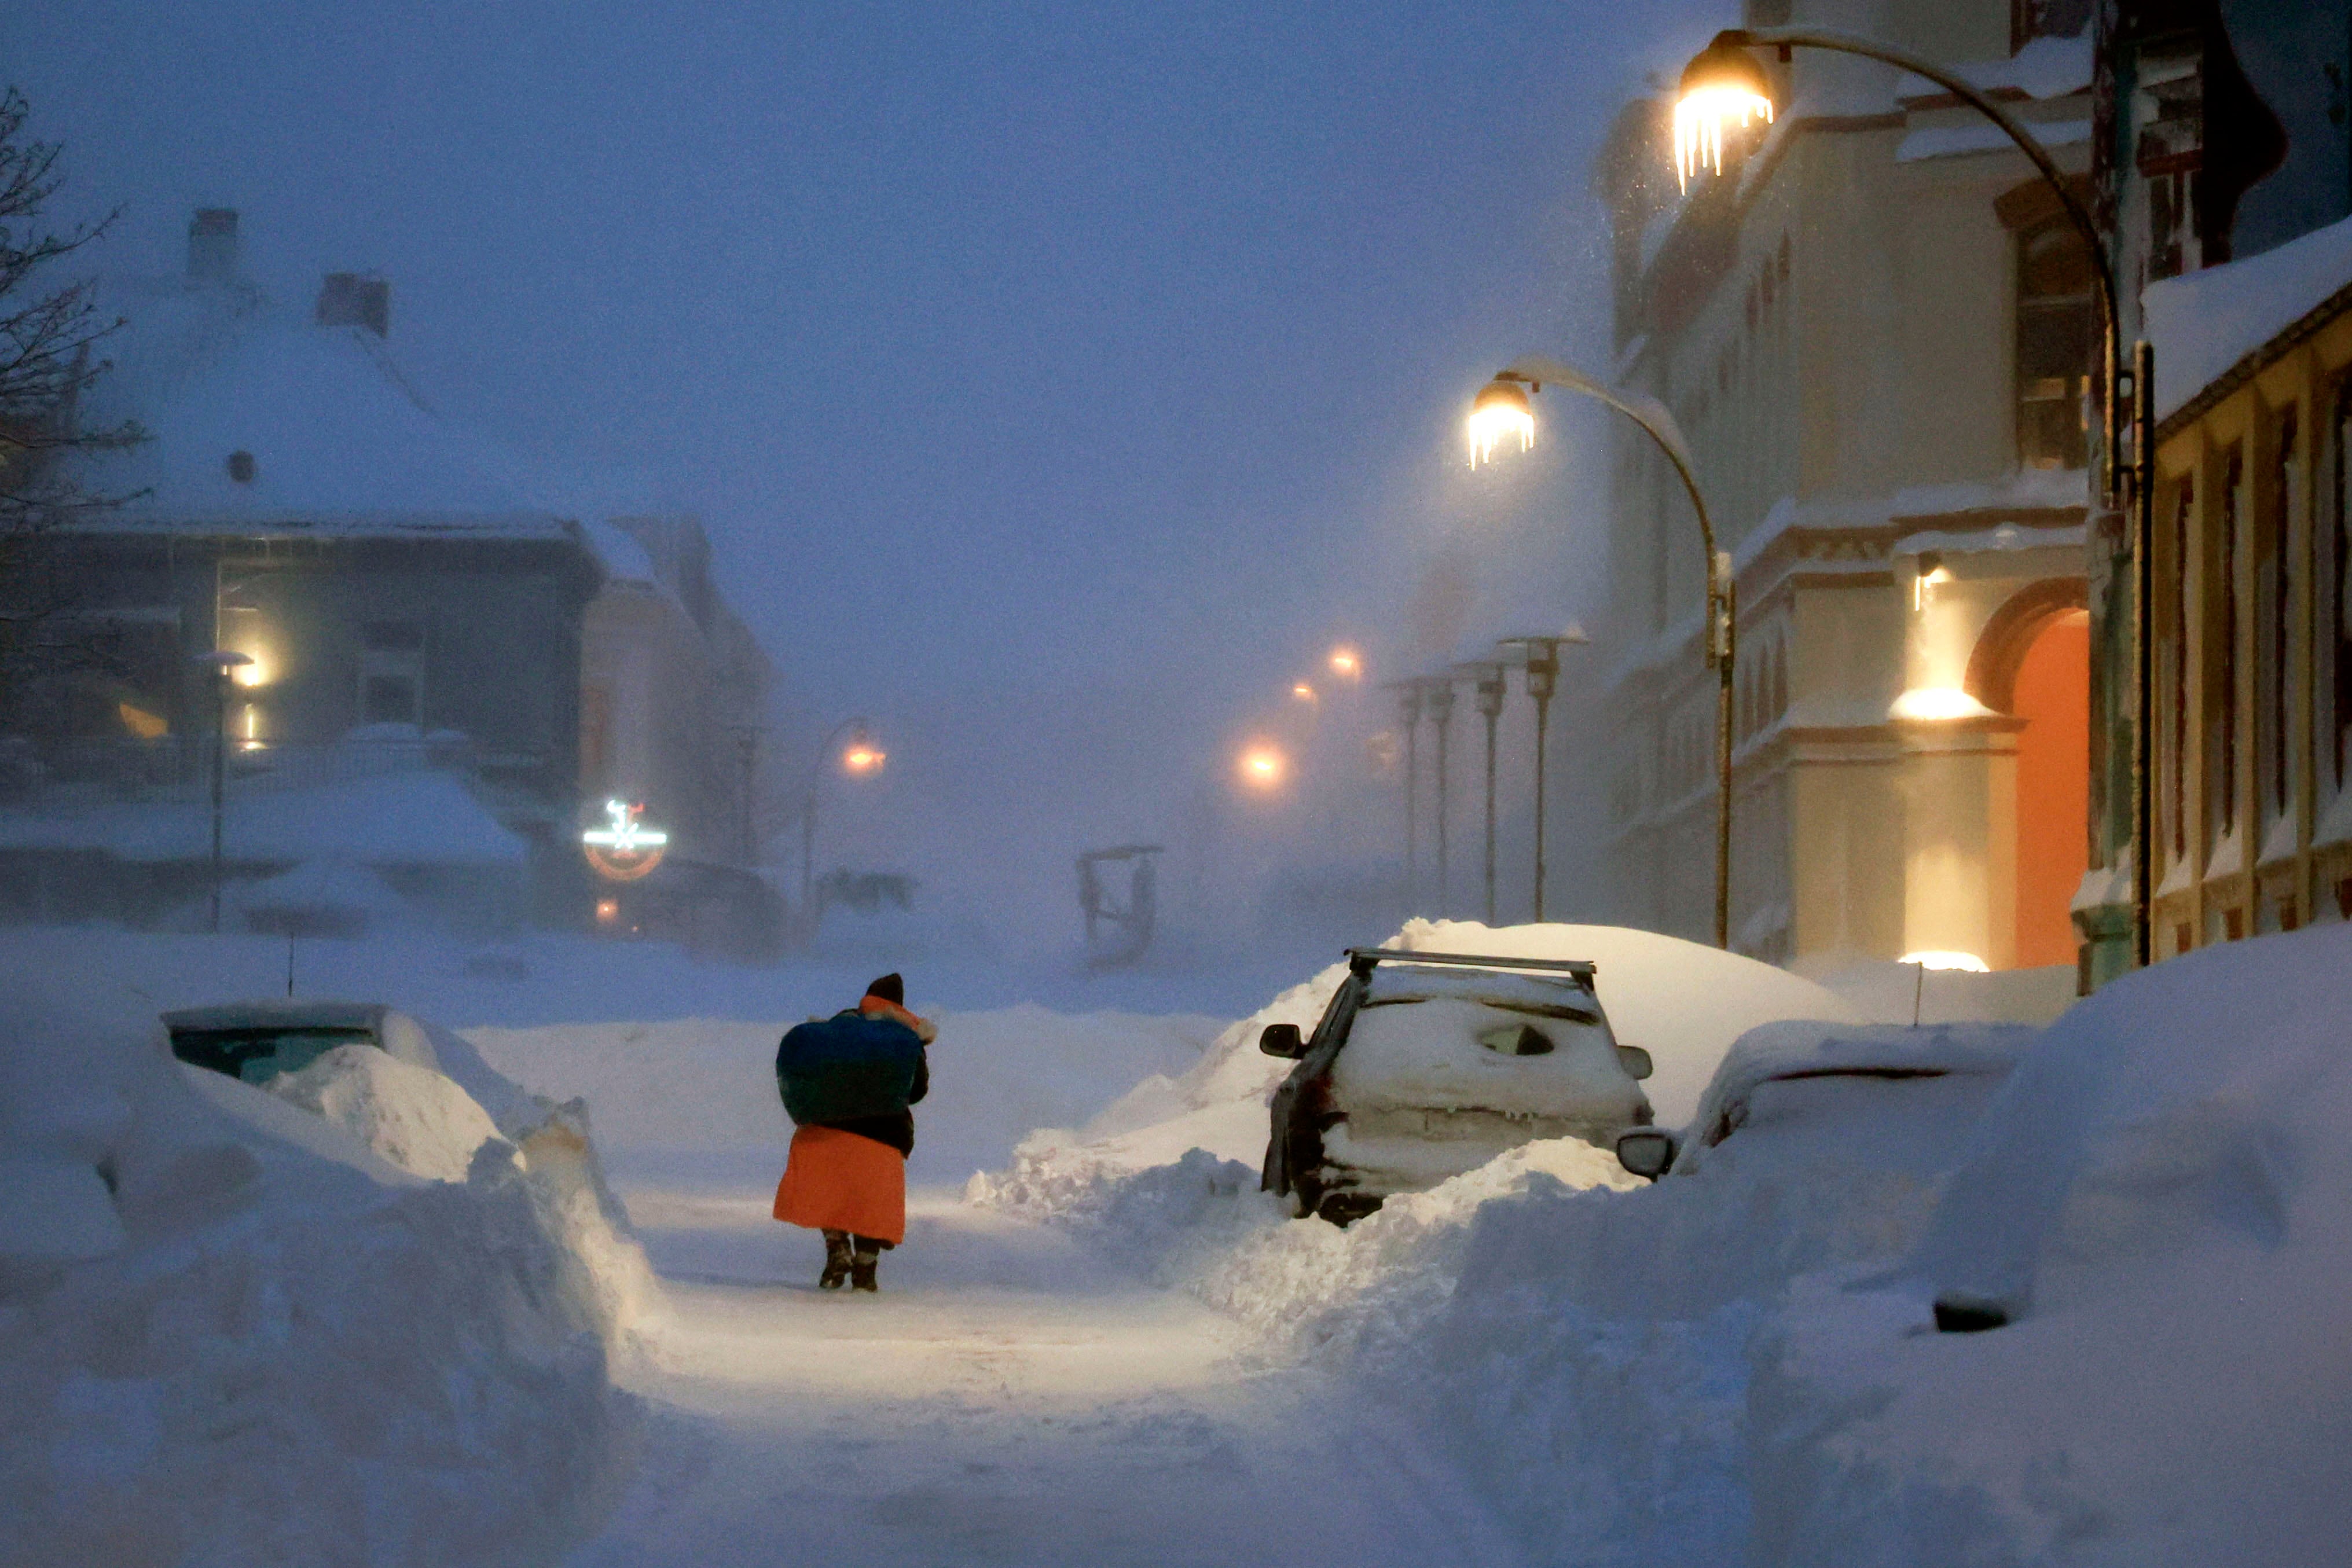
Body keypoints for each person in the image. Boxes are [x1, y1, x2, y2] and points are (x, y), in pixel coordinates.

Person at [771, 973, 937, 1292]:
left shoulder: (839, 1027)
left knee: (830, 1193)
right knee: (870, 1202)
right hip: (882, 1136)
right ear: (898, 1005)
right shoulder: (904, 1037)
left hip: (826, 1130)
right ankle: (865, 1268)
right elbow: (916, 1091)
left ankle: (837, 1249)